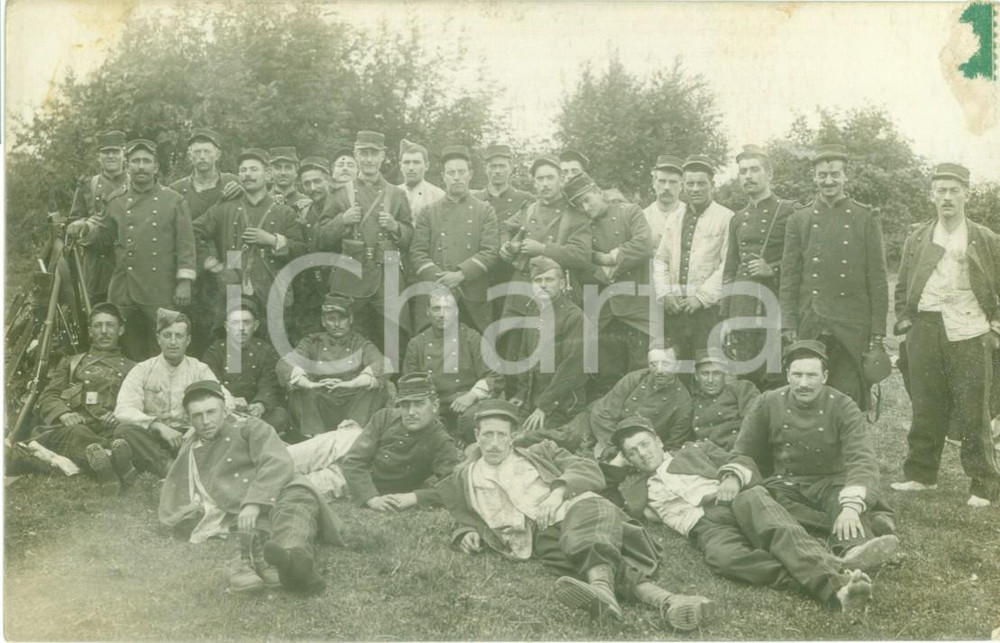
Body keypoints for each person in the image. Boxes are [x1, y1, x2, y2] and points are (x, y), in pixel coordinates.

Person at [414, 399, 716, 630]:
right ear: (475, 437)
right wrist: (465, 533)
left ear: (512, 437)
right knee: (588, 560)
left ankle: (603, 590)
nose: (493, 443)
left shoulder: (540, 451)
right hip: (536, 538)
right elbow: (461, 512)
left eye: (501, 435)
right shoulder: (465, 476)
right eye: (487, 435)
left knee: (588, 529)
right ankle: (668, 601)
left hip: (578, 510)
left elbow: (588, 470)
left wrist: (559, 491)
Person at [611, 417, 888, 613]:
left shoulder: (695, 450)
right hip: (706, 529)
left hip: (735, 499)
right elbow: (605, 490)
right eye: (632, 453)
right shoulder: (638, 490)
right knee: (725, 560)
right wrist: (616, 464)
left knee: (775, 528)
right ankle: (838, 572)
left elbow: (741, 459)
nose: (642, 454)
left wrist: (731, 478)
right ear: (628, 460)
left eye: (645, 444)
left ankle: (836, 585)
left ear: (658, 440)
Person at [158, 380, 344, 594]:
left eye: (211, 412)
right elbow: (179, 489)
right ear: (188, 419)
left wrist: (255, 502)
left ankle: (293, 558)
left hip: (283, 489)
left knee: (294, 513)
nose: (206, 421)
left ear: (225, 410)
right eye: (198, 416)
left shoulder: (249, 427)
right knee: (263, 527)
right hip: (246, 509)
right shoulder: (191, 449)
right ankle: (290, 567)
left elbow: (277, 462)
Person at [717, 341, 899, 557]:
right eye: (797, 375)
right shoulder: (768, 401)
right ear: (787, 376)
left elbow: (862, 458)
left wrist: (851, 507)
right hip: (786, 483)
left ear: (824, 377)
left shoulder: (843, 406)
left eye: (811, 376)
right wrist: (733, 477)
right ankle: (863, 519)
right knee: (755, 502)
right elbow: (744, 449)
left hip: (831, 482)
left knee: (842, 505)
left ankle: (855, 550)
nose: (803, 383)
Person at [890, 162, 1000, 507]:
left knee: (974, 408)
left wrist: (995, 325)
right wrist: (906, 321)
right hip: (925, 327)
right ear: (931, 196)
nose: (947, 197)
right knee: (926, 403)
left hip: (969, 327)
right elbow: (904, 284)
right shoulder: (918, 236)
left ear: (967, 194)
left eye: (954, 190)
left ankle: (983, 483)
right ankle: (920, 475)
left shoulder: (984, 238)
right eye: (941, 191)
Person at [779, 144, 889, 411]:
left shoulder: (865, 217)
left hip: (852, 322)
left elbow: (877, 278)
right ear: (814, 177)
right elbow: (789, 275)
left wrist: (877, 332)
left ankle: (851, 451)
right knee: (809, 391)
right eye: (822, 174)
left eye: (834, 174)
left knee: (849, 397)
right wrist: (788, 323)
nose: (828, 181)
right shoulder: (799, 219)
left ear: (845, 176)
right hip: (811, 320)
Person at [68, 139, 197, 361]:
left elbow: (186, 244)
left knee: (163, 347)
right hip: (123, 287)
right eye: (135, 161)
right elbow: (105, 235)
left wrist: (184, 282)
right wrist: (85, 229)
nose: (141, 166)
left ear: (156, 167)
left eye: (146, 161)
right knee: (124, 347)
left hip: (160, 288)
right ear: (127, 166)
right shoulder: (116, 200)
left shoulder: (173, 200)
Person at [313, 130, 413, 353]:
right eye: (363, 153)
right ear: (356, 155)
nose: (368, 159)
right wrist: (342, 221)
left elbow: (410, 237)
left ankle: (393, 383)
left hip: (387, 275)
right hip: (350, 276)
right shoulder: (339, 194)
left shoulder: (396, 194)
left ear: (383, 156)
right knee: (342, 334)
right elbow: (319, 238)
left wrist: (396, 227)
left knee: (396, 336)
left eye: (373, 153)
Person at [193, 148, 306, 337]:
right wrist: (211, 262)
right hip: (232, 289)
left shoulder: (284, 212)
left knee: (272, 345)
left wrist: (272, 240)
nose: (248, 175)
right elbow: (194, 231)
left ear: (267, 174)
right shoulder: (226, 207)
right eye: (243, 170)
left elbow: (300, 251)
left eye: (254, 169)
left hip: (271, 290)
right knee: (234, 352)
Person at [497, 155, 592, 376]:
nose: (545, 183)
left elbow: (581, 255)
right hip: (521, 292)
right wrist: (505, 246)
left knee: (554, 354)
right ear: (534, 183)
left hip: (557, 294)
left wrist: (543, 249)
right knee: (514, 348)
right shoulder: (528, 210)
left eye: (550, 177)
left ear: (561, 180)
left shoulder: (576, 215)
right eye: (540, 179)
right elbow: (505, 228)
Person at [562, 171, 653, 395]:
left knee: (640, 374)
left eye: (587, 200)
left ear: (599, 192)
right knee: (606, 377)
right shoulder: (582, 225)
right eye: (578, 205)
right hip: (602, 312)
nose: (584, 208)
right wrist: (602, 270)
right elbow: (579, 260)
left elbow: (644, 244)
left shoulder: (629, 212)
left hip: (636, 310)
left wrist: (609, 257)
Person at [113, 309, 233, 478]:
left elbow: (225, 400)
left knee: (225, 427)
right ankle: (169, 467)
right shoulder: (142, 370)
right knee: (124, 429)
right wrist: (156, 425)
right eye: (167, 336)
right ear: (158, 339)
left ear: (188, 340)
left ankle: (164, 466)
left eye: (179, 336)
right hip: (154, 438)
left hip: (191, 436)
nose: (173, 342)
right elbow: (123, 409)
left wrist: (197, 427)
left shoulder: (199, 369)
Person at [32, 302, 137, 494]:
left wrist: (119, 416)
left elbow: (139, 404)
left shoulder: (134, 368)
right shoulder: (72, 363)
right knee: (78, 433)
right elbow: (48, 396)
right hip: (72, 429)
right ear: (90, 331)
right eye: (98, 326)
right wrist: (63, 414)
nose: (104, 331)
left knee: (123, 434)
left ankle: (107, 468)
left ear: (121, 330)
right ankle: (116, 461)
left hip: (109, 430)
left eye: (110, 325)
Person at [531, 347, 692, 458]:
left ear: (678, 365)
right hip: (599, 422)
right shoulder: (635, 379)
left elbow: (672, 445)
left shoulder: (683, 402)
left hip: (635, 447)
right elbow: (603, 413)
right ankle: (520, 440)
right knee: (567, 438)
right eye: (653, 364)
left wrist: (629, 451)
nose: (659, 370)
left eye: (666, 364)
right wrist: (612, 446)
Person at [722, 145, 794, 390]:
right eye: (743, 172)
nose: (748, 176)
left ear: (770, 174)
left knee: (775, 377)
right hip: (742, 307)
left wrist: (772, 269)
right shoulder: (738, 218)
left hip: (774, 307)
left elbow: (801, 261)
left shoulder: (788, 211)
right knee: (745, 378)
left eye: (754, 170)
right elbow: (730, 268)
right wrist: (727, 317)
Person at [652, 155, 734, 363]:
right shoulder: (675, 217)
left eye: (701, 184)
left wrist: (701, 298)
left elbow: (728, 264)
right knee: (675, 364)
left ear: (712, 185)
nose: (695, 189)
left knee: (706, 364)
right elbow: (661, 259)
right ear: (683, 185)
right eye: (690, 184)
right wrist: (665, 294)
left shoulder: (726, 218)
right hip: (675, 308)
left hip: (708, 310)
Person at [339, 373, 462, 511]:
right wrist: (371, 498)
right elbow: (353, 461)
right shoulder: (384, 417)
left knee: (312, 488)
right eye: (405, 405)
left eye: (419, 404)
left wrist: (414, 497)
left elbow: (454, 487)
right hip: (344, 466)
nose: (410, 412)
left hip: (342, 481)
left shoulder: (441, 441)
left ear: (434, 406)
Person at [410, 144, 500, 333]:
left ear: (470, 174)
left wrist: (460, 275)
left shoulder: (485, 210)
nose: (456, 177)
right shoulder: (428, 212)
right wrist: (443, 280)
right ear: (443, 176)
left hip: (473, 295)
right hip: (436, 294)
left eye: (461, 171)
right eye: (451, 173)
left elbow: (490, 251)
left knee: (477, 351)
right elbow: (417, 253)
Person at [168, 128, 242, 356]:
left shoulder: (232, 183)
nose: (202, 157)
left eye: (207, 151)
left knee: (225, 325)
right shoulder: (177, 190)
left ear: (217, 155)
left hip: (227, 268)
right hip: (193, 271)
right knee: (192, 326)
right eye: (197, 152)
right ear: (190, 156)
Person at [275, 294, 389, 438]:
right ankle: (316, 438)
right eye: (331, 319)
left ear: (351, 319)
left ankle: (352, 435)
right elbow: (285, 364)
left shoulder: (360, 343)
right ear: (323, 321)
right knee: (300, 389)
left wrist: (350, 384)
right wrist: (310, 384)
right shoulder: (312, 342)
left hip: (351, 403)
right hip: (320, 403)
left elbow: (382, 363)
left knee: (374, 387)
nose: (337, 324)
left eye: (342, 318)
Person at [402, 289, 502, 442]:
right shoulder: (417, 343)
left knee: (472, 422)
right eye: (436, 308)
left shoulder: (472, 338)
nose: (441, 314)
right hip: (431, 403)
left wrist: (472, 395)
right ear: (428, 312)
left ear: (456, 311)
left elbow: (495, 376)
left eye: (447, 308)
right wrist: (428, 406)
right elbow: (410, 384)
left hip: (466, 402)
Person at [511, 257, 587, 437]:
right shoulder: (533, 311)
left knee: (526, 439)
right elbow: (524, 356)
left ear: (561, 284)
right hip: (531, 398)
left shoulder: (574, 317)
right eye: (538, 280)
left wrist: (543, 407)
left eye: (549, 280)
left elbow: (573, 369)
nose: (543, 285)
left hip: (562, 403)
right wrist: (521, 394)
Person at [202, 298, 290, 435]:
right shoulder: (216, 351)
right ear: (226, 326)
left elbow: (270, 383)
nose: (241, 328)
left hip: (254, 411)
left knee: (280, 415)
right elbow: (210, 381)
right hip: (225, 408)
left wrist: (260, 404)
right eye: (235, 323)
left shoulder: (266, 351)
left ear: (255, 325)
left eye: (247, 322)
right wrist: (230, 400)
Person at [471, 143, 534, 318]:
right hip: (480, 273)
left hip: (512, 272)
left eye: (502, 166)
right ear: (486, 169)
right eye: (493, 166)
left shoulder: (525, 199)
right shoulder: (474, 200)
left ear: (510, 168)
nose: (497, 171)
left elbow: (534, 230)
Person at [69, 130, 129, 304]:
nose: (110, 156)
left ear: (124, 153)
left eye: (115, 151)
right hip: (96, 262)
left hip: (127, 262)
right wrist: (82, 226)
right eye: (105, 152)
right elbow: (74, 221)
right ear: (99, 156)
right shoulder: (88, 185)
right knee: (95, 309)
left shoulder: (136, 183)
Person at [291, 155, 336, 342]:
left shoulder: (340, 205)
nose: (312, 188)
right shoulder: (305, 210)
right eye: (307, 183)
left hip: (337, 282)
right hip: (312, 287)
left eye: (317, 181)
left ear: (329, 180)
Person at [689, 350, 761, 451]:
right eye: (705, 374)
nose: (710, 380)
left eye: (716, 373)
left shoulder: (740, 389)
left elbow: (756, 425)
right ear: (696, 376)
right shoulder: (694, 402)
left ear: (725, 375)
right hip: (706, 457)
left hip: (737, 455)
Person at [643, 155, 685, 250]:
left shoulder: (689, 215)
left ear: (681, 185)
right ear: (654, 183)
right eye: (662, 181)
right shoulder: (643, 216)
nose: (667, 187)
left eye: (673, 182)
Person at [398, 139, 445, 217]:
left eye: (416, 162)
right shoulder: (392, 194)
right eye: (406, 162)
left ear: (427, 166)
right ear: (400, 166)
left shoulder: (438, 196)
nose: (411, 168)